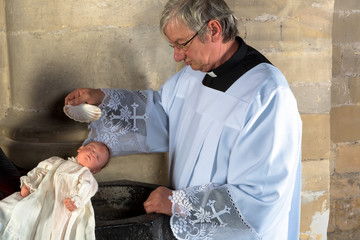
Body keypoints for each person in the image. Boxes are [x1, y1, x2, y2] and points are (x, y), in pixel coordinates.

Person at [65, 0, 302, 239]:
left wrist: (178, 202)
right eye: (173, 47)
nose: (178, 56)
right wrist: (103, 100)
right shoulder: (193, 74)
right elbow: (162, 115)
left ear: (214, 30)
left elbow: (261, 198)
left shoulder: (267, 94)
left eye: (182, 44)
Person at [0, 141, 110, 240]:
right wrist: (29, 184)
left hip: (61, 206)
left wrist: (76, 200)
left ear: (96, 170)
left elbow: (87, 188)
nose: (92, 153)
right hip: (41, 196)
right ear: (80, 149)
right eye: (91, 148)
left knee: (52, 228)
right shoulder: (56, 161)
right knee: (22, 210)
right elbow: (40, 171)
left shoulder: (85, 175)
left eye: (97, 157)